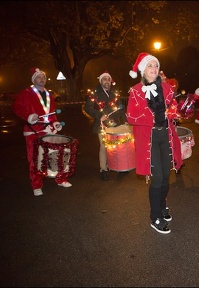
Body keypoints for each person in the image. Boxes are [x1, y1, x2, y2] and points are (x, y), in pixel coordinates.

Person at [126, 52, 183, 234]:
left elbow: (174, 106)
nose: (154, 69)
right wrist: (154, 116)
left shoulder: (167, 88)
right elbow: (131, 116)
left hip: (165, 136)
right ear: (143, 70)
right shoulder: (135, 90)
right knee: (157, 177)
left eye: (156, 66)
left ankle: (162, 205)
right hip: (149, 139)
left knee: (166, 176)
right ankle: (155, 216)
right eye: (150, 66)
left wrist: (174, 112)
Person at [12, 68, 72, 196]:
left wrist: (55, 122)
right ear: (34, 80)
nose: (42, 79)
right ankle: (36, 185)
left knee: (56, 155)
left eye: (43, 77)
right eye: (39, 77)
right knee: (35, 159)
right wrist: (28, 116)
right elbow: (17, 107)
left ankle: (60, 179)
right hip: (33, 132)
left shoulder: (49, 94)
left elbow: (52, 112)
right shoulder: (26, 93)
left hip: (49, 130)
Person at [84, 71, 126, 181]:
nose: (107, 81)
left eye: (108, 79)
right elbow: (87, 108)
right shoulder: (95, 94)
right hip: (101, 125)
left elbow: (121, 109)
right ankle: (103, 169)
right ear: (100, 81)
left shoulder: (114, 93)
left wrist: (125, 120)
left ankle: (117, 166)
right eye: (104, 79)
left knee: (116, 145)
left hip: (115, 123)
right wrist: (99, 115)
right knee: (104, 146)